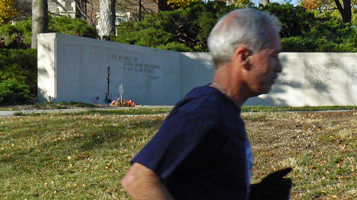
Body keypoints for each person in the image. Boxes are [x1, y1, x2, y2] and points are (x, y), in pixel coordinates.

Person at [121, 8, 292, 200]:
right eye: (272, 56)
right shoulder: (204, 112)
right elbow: (138, 180)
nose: (279, 67)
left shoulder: (224, 111)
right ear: (243, 57)